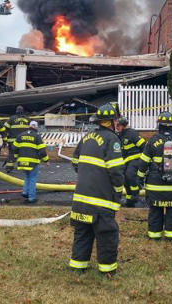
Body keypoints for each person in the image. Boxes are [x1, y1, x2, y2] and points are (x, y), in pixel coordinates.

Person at [68, 103, 124, 275]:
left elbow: (75, 162)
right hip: (101, 200)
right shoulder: (112, 139)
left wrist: (89, 173)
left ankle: (78, 267)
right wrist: (118, 190)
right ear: (112, 121)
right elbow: (116, 170)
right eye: (116, 120)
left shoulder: (87, 137)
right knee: (107, 234)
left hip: (81, 199)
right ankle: (107, 271)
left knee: (83, 233)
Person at [137, 112, 172, 241]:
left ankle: (154, 235)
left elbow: (143, 162)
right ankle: (171, 236)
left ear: (159, 125)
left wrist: (139, 179)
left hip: (155, 186)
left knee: (155, 211)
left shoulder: (152, 140)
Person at [12, 120, 48, 204]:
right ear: (36, 127)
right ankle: (31, 198)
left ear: (29, 126)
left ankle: (25, 192)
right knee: (32, 179)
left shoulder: (20, 135)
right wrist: (46, 160)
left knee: (27, 177)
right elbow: (42, 151)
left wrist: (16, 158)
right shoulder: (37, 136)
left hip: (22, 162)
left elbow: (14, 148)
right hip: (32, 162)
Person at [116, 116, 146, 208]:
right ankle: (129, 200)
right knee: (125, 180)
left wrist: (144, 161)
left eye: (118, 125)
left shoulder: (132, 133)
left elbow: (144, 146)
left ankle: (136, 197)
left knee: (130, 176)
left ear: (123, 125)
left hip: (135, 160)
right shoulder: (119, 135)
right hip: (126, 162)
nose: (116, 127)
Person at [4, 105, 30, 170]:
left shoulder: (12, 118)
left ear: (16, 111)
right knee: (23, 153)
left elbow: (5, 128)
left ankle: (9, 167)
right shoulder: (27, 119)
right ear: (23, 111)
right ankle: (23, 166)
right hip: (24, 140)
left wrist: (6, 136)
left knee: (12, 153)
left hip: (13, 141)